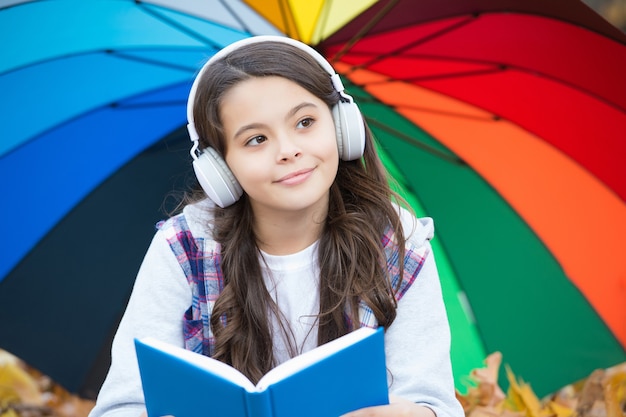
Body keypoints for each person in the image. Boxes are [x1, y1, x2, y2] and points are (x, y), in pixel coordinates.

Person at [88, 35, 464, 417]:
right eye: (256, 139)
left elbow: (436, 405)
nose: (288, 149)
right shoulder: (184, 248)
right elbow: (120, 407)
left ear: (341, 124)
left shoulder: (397, 245)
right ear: (219, 169)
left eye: (304, 122)